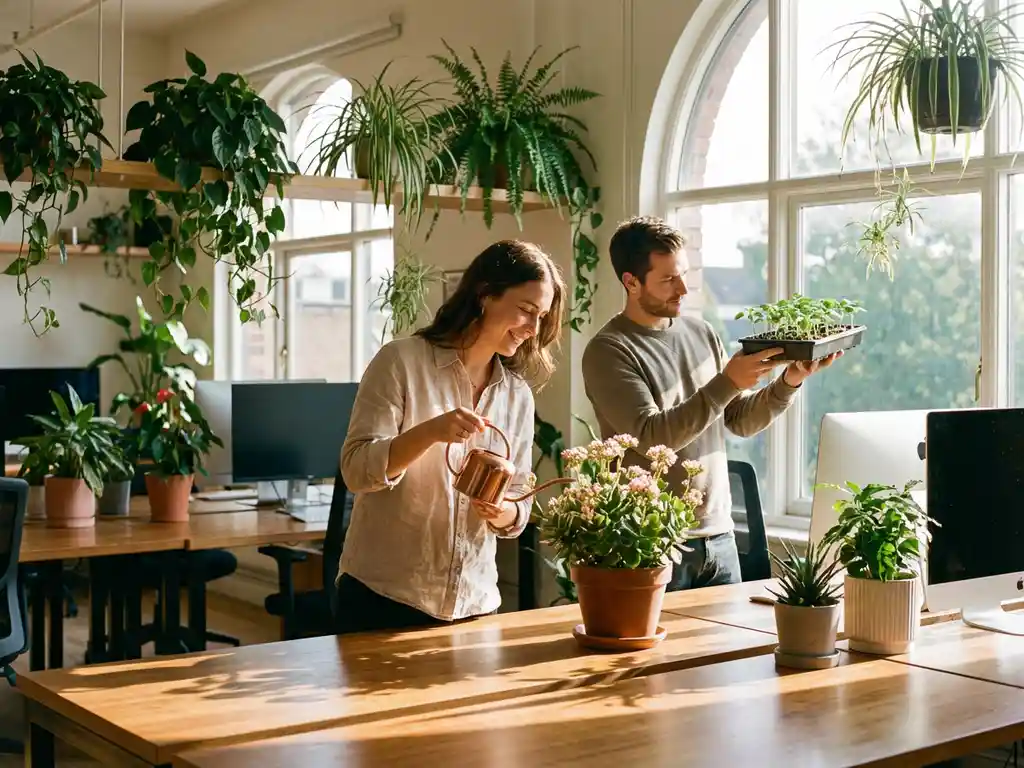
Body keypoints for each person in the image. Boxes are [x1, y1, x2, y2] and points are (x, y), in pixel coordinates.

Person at [581, 216, 840, 591]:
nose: (683, 288)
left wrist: (790, 380)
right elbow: (654, 438)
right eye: (668, 279)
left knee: (734, 649)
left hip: (720, 536)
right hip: (653, 541)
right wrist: (728, 381)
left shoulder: (701, 333)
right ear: (631, 282)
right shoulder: (609, 351)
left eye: (684, 273)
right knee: (657, 652)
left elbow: (738, 420)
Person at [336, 239, 566, 634]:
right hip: (385, 598)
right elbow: (356, 471)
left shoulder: (517, 396)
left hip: (475, 605)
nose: (533, 329)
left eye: (542, 317)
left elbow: (519, 502)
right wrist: (430, 432)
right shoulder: (401, 362)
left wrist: (505, 512)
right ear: (484, 294)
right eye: (527, 310)